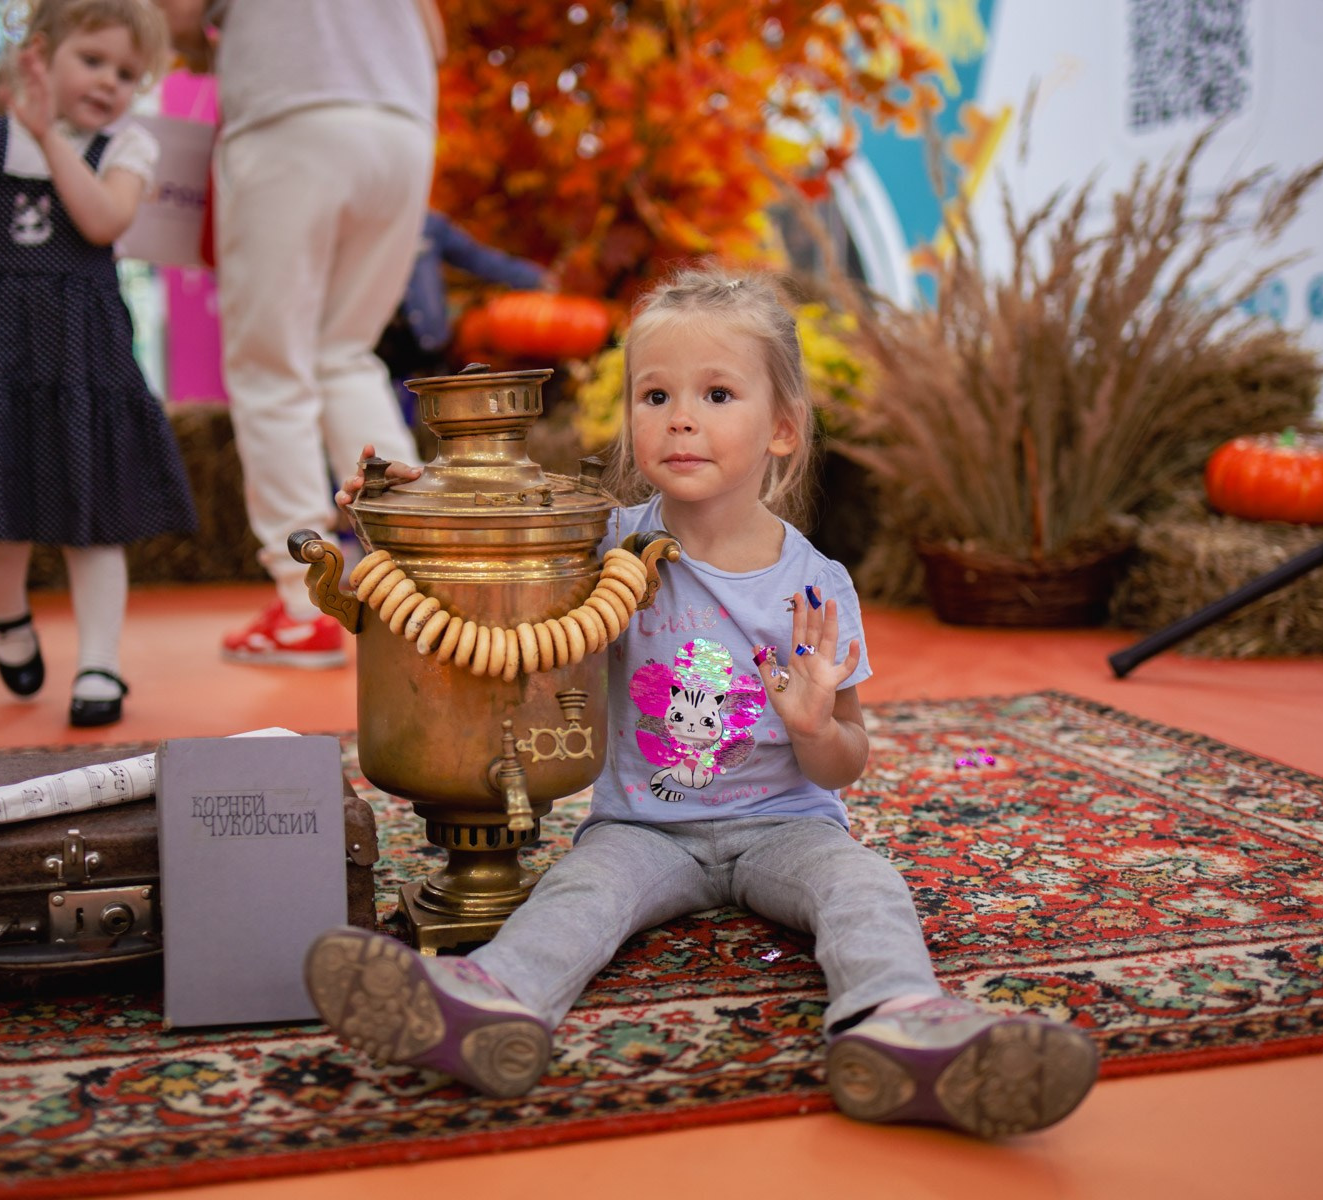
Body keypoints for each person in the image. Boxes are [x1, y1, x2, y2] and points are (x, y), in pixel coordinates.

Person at [308, 267, 1100, 1137]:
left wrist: (814, 729)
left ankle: (898, 1023)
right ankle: (487, 1003)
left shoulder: (817, 585)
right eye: (655, 396)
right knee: (577, 894)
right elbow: (500, 548)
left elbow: (847, 760)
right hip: (644, 829)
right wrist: (417, 500)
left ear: (783, 428)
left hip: (788, 825)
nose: (680, 418)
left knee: (867, 887)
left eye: (717, 394)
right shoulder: (605, 544)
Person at [0, 0, 197, 729]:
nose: (108, 82)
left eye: (126, 73)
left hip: (84, 361)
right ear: (40, 52)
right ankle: (7, 617)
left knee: (92, 519)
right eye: (92, 60)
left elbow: (102, 220)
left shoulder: (126, 147)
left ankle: (100, 662)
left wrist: (47, 136)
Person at [151, 0, 441, 669]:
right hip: (401, 118)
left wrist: (200, 45)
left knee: (270, 367)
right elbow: (436, 36)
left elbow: (180, 12)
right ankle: (423, 582)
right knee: (345, 353)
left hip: (290, 110)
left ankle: (305, 603)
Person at [376, 209, 552, 425]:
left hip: (427, 348)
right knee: (385, 422)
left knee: (432, 424)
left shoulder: (428, 224)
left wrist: (534, 279)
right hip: (379, 348)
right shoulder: (359, 227)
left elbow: (477, 258)